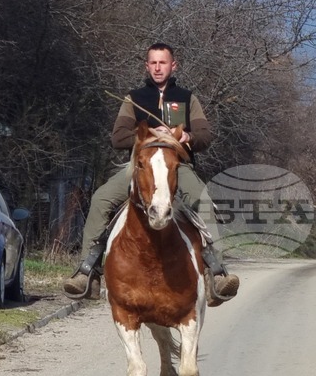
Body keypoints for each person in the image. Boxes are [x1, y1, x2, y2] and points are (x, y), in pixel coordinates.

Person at [62, 43, 240, 303]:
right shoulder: (133, 98)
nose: (158, 67)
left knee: (202, 199)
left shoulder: (187, 98)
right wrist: (149, 135)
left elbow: (205, 136)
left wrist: (186, 136)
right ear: (147, 66)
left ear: (173, 65)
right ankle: (87, 271)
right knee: (101, 198)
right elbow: (118, 137)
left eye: (163, 62)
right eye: (153, 63)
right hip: (140, 166)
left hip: (176, 166)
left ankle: (216, 273)